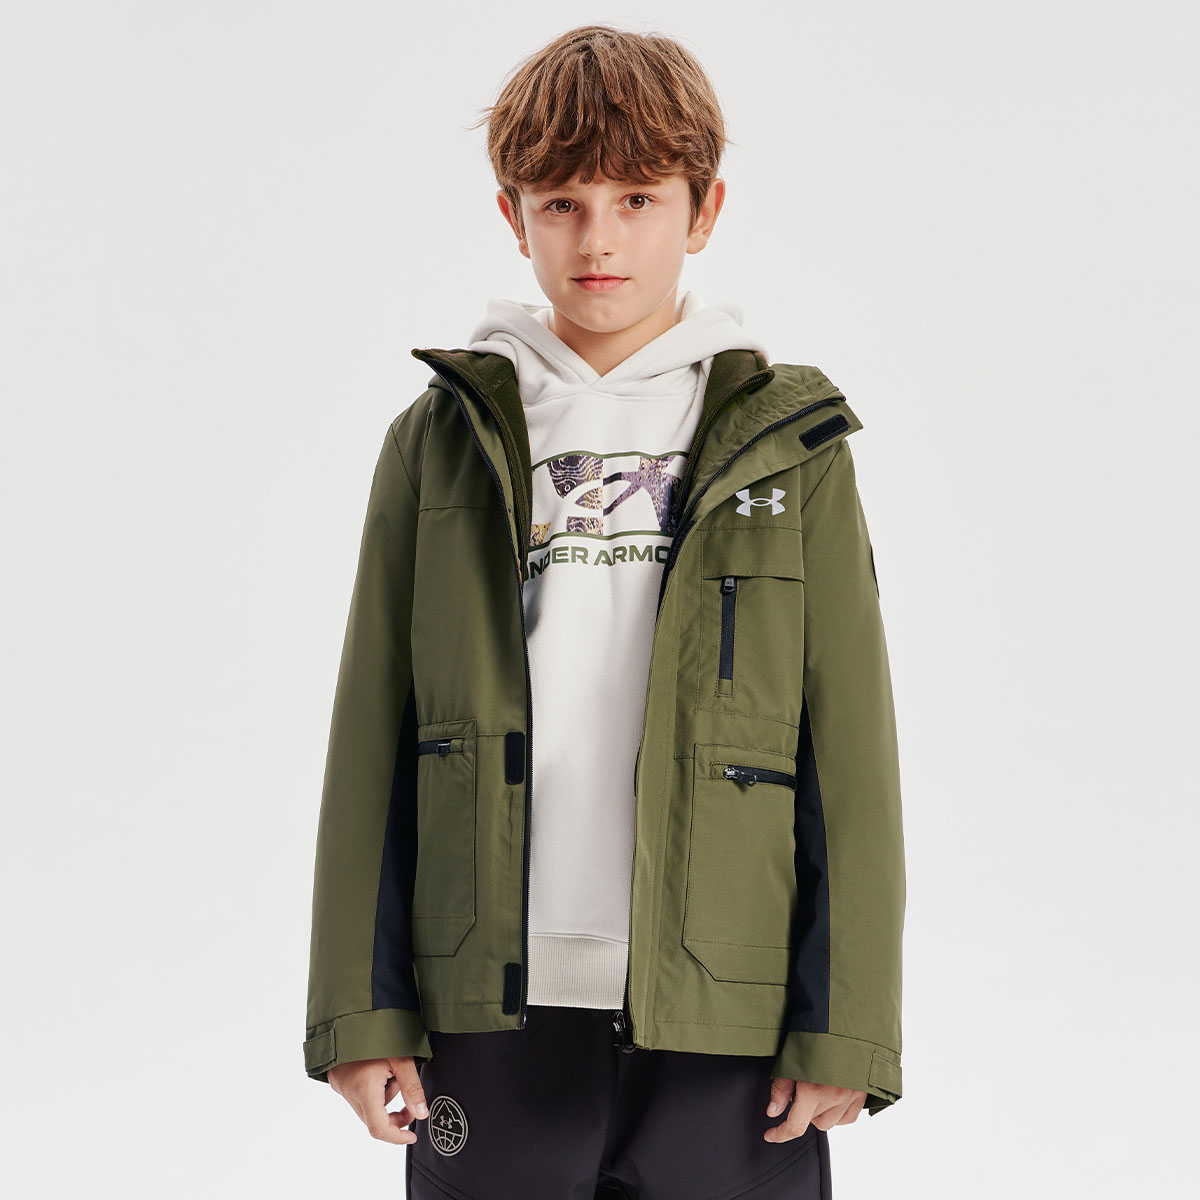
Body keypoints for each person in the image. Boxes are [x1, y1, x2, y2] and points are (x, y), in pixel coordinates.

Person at [303, 23, 905, 1200]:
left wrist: (847, 1022)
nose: (600, 239)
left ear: (704, 208)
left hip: (728, 1008)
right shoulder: (437, 442)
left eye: (638, 198)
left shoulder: (792, 446)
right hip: (487, 1000)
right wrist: (359, 1011)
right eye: (563, 204)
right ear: (512, 215)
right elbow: (373, 728)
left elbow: (849, 747)